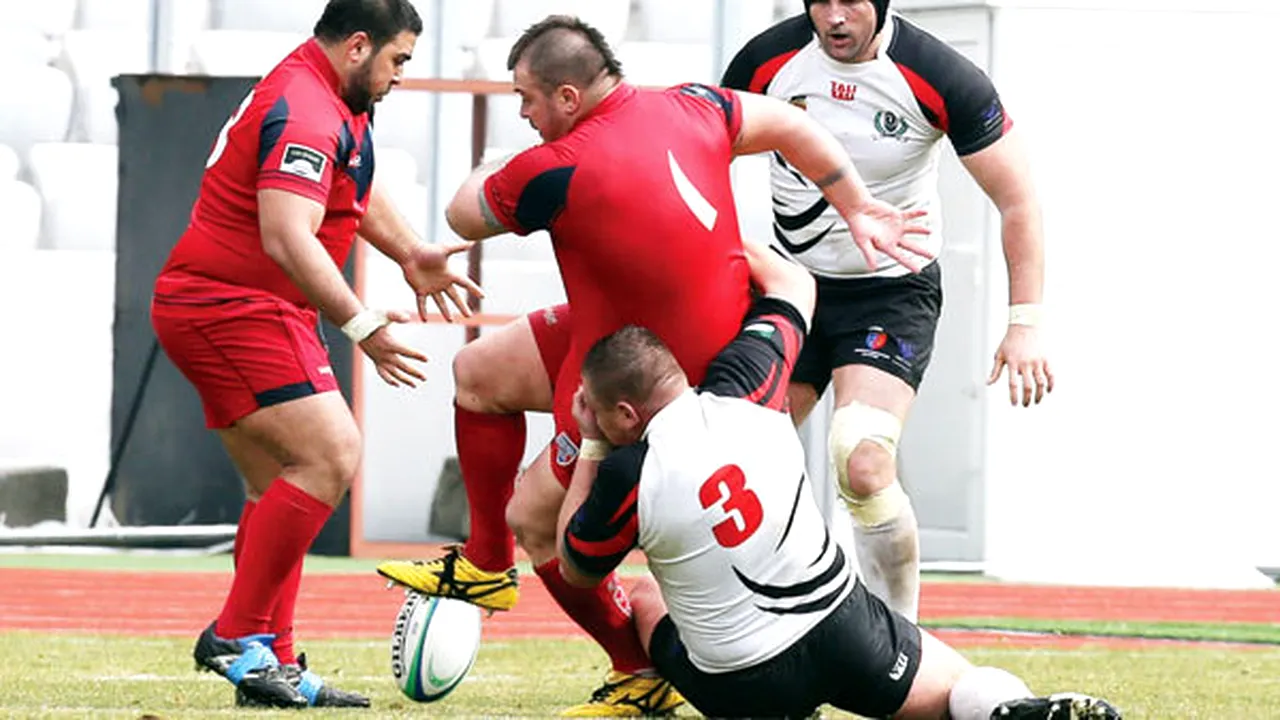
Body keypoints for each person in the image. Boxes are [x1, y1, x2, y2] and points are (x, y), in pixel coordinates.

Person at [375, 14, 930, 716]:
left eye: (528, 99)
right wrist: (856, 205)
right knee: (480, 373)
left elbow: (462, 214)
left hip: (655, 379)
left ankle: (636, 671)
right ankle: (486, 565)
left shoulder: (555, 166)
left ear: (569, 98)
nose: (523, 113)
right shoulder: (697, 103)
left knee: (538, 521)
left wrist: (503, 167)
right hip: (641, 338)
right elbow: (796, 127)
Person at [554, 259, 1119, 720]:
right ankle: (1009, 711)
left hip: (739, 685)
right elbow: (795, 284)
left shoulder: (629, 472)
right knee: (959, 691)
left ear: (626, 414)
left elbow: (576, 567)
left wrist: (591, 445)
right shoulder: (750, 385)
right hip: (842, 633)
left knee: (649, 597)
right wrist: (703, 238)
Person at [150, 0, 478, 709]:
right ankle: (238, 637)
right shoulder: (306, 106)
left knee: (278, 484)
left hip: (250, 307)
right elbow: (287, 235)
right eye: (398, 60)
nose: (400, 77)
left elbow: (351, 178)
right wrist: (361, 324)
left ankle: (275, 660)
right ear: (358, 46)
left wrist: (412, 252)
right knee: (331, 454)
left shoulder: (333, 96)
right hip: (229, 307)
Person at [719, 0, 1056, 624]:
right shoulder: (767, 61)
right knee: (738, 455)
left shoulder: (940, 73)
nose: (835, 17)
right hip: (791, 288)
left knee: (862, 459)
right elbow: (699, 156)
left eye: (851, 1)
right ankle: (759, 626)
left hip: (889, 292)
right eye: (821, 1)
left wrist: (1025, 322)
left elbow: (1018, 200)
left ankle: (899, 642)